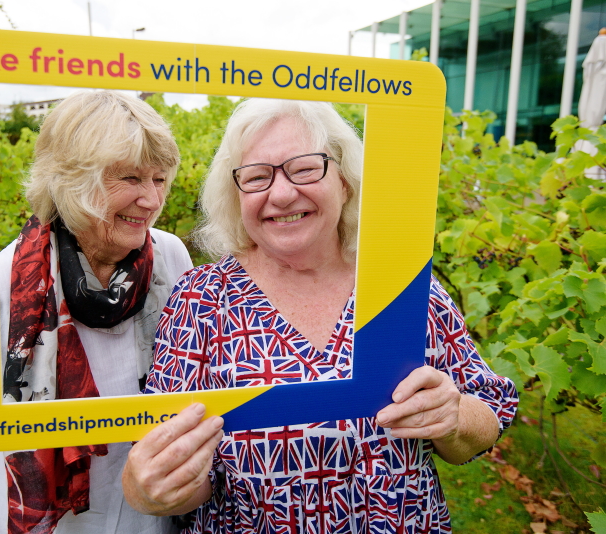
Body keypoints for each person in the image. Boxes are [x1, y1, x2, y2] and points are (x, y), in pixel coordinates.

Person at [122, 99, 519, 533]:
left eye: (305, 168)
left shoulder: (398, 285)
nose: (282, 193)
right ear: (236, 199)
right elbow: (185, 473)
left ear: (345, 180)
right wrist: (159, 488)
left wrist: (455, 418)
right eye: (257, 177)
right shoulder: (202, 301)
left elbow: (489, 413)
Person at [0, 90, 193, 534]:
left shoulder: (171, 258)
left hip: (150, 517)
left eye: (159, 180)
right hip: (41, 520)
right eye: (130, 178)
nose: (150, 200)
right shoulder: (1, 282)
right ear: (70, 179)